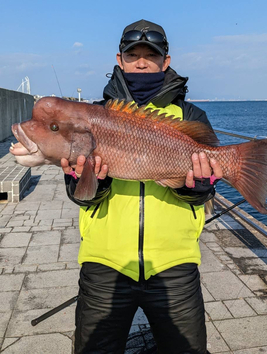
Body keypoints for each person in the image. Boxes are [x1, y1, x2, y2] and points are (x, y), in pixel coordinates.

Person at [61, 19, 222, 354]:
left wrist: (196, 186)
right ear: (119, 60)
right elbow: (81, 198)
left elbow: (205, 192)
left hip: (174, 267)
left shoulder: (191, 116)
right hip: (104, 265)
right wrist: (92, 181)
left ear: (166, 60)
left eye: (152, 54)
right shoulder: (94, 116)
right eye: (133, 54)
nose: (142, 61)